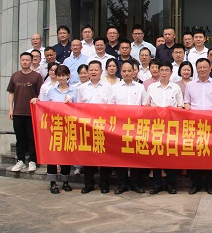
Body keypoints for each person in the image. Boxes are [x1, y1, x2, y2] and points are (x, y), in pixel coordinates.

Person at [184, 58, 212, 194]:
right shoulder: (190, 85)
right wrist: (188, 109)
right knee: (194, 155)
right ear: (196, 69)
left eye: (205, 67)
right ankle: (196, 184)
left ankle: (210, 184)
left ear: (210, 68)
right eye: (200, 67)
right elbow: (186, 102)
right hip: (194, 125)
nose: (202, 70)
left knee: (210, 154)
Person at [31, 64, 76, 194]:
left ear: (68, 76)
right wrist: (37, 101)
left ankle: (65, 181)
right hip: (54, 126)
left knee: (66, 154)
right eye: (59, 75)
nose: (61, 78)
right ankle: (52, 182)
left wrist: (71, 104)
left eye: (64, 75)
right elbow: (44, 106)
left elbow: (79, 108)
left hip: (68, 127)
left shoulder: (74, 91)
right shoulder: (51, 91)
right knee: (53, 154)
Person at [144, 62, 184, 194]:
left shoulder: (176, 88)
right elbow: (146, 105)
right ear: (158, 71)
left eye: (167, 70)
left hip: (171, 127)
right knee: (156, 155)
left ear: (171, 72)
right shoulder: (152, 87)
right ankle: (156, 184)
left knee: (170, 155)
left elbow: (180, 106)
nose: (164, 72)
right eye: (162, 70)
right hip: (155, 126)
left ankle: (171, 184)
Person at [77, 60, 116, 194]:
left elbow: (111, 106)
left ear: (101, 72)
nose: (93, 72)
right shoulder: (82, 88)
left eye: (96, 70)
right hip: (87, 126)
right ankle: (89, 184)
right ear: (88, 72)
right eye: (91, 70)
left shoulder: (108, 87)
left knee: (104, 156)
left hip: (103, 126)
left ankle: (104, 184)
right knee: (88, 155)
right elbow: (79, 107)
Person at [113, 60, 148, 195]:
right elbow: (110, 106)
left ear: (134, 72)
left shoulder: (140, 88)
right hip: (120, 126)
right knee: (120, 155)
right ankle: (122, 183)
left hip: (136, 126)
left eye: (129, 71)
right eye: (124, 71)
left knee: (135, 155)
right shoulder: (115, 87)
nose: (127, 73)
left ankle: (135, 183)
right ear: (120, 72)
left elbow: (145, 106)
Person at [7, 52, 43, 173]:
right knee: (20, 138)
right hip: (18, 112)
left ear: (32, 61)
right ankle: (20, 160)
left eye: (27, 60)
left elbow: (40, 93)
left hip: (32, 113)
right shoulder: (15, 76)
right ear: (20, 61)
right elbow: (11, 93)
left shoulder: (36, 76)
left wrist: (37, 100)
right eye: (23, 60)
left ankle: (32, 161)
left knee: (32, 138)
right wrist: (10, 109)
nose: (25, 62)